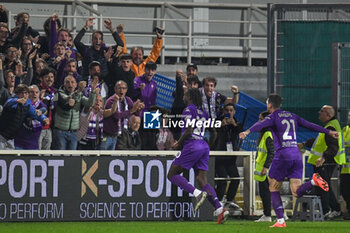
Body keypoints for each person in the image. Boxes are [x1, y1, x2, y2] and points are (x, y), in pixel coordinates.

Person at [239, 93, 339, 228]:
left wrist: (247, 132)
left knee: (273, 186)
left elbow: (260, 124)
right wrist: (329, 132)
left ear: (269, 105)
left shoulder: (273, 117)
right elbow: (310, 125)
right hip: (296, 155)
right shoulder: (292, 116)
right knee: (296, 191)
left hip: (282, 155)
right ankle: (313, 181)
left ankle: (280, 220)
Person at [167, 88, 229, 224]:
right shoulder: (204, 112)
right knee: (202, 180)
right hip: (203, 145)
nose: (183, 96)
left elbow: (189, 130)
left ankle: (196, 193)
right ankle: (219, 209)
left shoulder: (188, 110)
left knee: (172, 174)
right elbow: (214, 132)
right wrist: (207, 146)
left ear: (189, 96)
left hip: (192, 145)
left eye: (185, 94)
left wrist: (178, 143)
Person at [299, 105, 346, 219]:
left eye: (322, 111)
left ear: (328, 115)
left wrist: (323, 158)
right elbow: (319, 141)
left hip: (326, 163)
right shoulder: (329, 126)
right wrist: (304, 144)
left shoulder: (331, 127)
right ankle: (334, 209)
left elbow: (333, 147)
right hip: (326, 162)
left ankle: (327, 211)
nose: (319, 113)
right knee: (324, 186)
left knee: (323, 187)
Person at [51, 75, 97, 150]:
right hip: (60, 132)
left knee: (72, 158)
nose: (70, 84)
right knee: (61, 157)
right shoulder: (59, 93)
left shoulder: (79, 95)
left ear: (76, 84)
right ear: (64, 84)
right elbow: (66, 101)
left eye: (72, 82)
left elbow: (90, 103)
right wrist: (79, 90)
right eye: (67, 82)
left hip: (73, 132)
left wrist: (93, 90)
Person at [0, 84, 49, 149]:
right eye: (21, 93)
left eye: (26, 93)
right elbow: (7, 103)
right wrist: (16, 101)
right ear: (17, 94)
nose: (24, 95)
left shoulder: (27, 105)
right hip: (1, 136)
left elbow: (35, 113)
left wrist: (44, 118)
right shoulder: (12, 101)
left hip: (11, 138)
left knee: (11, 157)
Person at [214, 103, 243, 211]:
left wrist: (234, 125)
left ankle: (229, 201)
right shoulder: (218, 121)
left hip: (231, 158)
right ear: (223, 111)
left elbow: (241, 134)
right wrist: (220, 125)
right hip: (219, 157)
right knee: (222, 180)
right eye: (227, 110)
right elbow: (212, 132)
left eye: (231, 110)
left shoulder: (236, 122)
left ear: (234, 112)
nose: (229, 112)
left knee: (236, 179)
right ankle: (217, 202)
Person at [102, 80, 143, 150]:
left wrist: (139, 109)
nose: (121, 90)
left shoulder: (127, 100)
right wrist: (131, 111)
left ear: (126, 90)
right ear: (115, 89)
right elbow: (117, 115)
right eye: (119, 88)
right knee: (103, 156)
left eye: (123, 88)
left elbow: (135, 113)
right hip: (106, 136)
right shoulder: (111, 101)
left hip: (116, 136)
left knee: (110, 158)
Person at [254, 111, 274, 222]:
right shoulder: (266, 133)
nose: (259, 122)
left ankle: (267, 216)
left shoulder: (268, 134)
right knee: (268, 192)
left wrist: (266, 167)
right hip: (265, 170)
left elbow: (272, 152)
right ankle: (279, 215)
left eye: (261, 119)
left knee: (266, 193)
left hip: (266, 170)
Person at [14, 85, 47, 149]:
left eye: (37, 92)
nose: (34, 94)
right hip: (19, 142)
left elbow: (44, 112)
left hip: (33, 143)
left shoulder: (42, 106)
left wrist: (40, 113)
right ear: (27, 94)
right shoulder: (21, 103)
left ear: (39, 94)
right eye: (31, 92)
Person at [38, 68, 56, 150]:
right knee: (36, 154)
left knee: (46, 154)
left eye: (52, 77)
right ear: (41, 78)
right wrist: (40, 99)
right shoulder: (36, 90)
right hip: (38, 128)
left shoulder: (54, 92)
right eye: (47, 77)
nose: (50, 79)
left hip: (49, 128)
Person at [341, 110, 350, 220]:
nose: (349, 117)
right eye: (348, 115)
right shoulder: (345, 130)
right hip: (345, 169)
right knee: (345, 191)